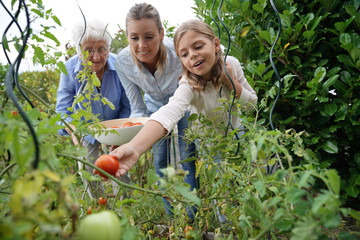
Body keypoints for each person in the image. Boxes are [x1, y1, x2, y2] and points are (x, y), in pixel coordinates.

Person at [110, 19, 258, 219]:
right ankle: (226, 225)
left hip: (236, 135)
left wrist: (231, 83)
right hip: (209, 142)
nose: (193, 55)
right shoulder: (188, 83)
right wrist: (136, 147)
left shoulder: (232, 64)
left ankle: (248, 220)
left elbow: (252, 105)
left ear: (215, 44)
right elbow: (169, 111)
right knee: (221, 189)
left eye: (198, 46)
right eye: (184, 54)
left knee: (246, 185)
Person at [114, 3, 197, 219]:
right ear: (127, 37)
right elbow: (137, 107)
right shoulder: (123, 62)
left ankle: (192, 215)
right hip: (154, 109)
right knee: (160, 160)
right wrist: (128, 138)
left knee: (187, 156)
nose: (142, 45)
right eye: (134, 38)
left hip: (183, 103)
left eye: (149, 36)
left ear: (161, 34)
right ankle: (172, 217)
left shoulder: (177, 52)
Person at [56, 19, 131, 200]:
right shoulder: (68, 70)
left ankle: (126, 210)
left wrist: (120, 134)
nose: (96, 57)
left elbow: (127, 105)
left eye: (102, 49)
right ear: (78, 49)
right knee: (87, 168)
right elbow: (63, 113)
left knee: (120, 167)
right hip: (86, 127)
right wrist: (74, 133)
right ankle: (98, 207)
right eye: (88, 50)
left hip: (116, 124)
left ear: (108, 48)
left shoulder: (119, 65)